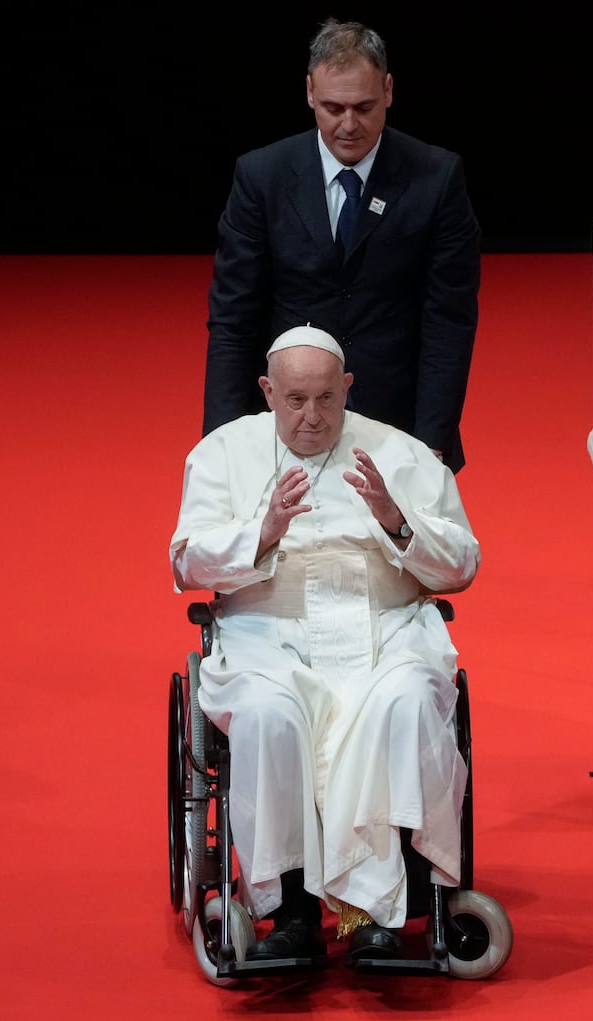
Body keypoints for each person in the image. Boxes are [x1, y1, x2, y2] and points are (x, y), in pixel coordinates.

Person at [172, 324, 480, 963]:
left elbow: (461, 567)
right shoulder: (222, 454)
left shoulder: (401, 453)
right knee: (267, 715)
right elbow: (186, 565)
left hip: (383, 627)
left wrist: (398, 521)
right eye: (294, 401)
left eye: (326, 400)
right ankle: (289, 912)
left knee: (408, 700)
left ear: (347, 389)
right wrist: (260, 534)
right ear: (267, 391)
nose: (312, 418)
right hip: (267, 634)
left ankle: (380, 911)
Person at [202, 18, 480, 472]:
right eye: (333, 108)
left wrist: (432, 440)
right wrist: (221, 438)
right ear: (310, 92)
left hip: (398, 423)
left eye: (365, 107)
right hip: (287, 420)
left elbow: (449, 321)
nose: (349, 125)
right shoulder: (261, 177)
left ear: (388, 91)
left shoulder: (437, 177)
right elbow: (234, 319)